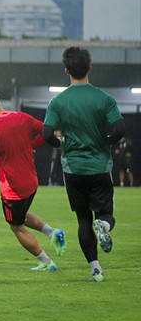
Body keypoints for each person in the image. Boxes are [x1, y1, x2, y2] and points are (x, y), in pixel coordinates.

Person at [43, 46, 126, 282]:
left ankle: (96, 269)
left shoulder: (58, 102)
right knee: (106, 215)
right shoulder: (104, 99)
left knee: (82, 220)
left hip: (73, 169)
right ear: (90, 67)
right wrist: (106, 142)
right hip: (100, 167)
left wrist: (62, 145)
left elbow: (47, 133)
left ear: (66, 70)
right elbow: (120, 129)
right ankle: (104, 227)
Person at [0, 89, 66, 272]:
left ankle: (46, 262)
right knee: (22, 215)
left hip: (13, 187)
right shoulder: (22, 117)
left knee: (16, 226)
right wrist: (32, 146)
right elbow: (46, 132)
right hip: (32, 181)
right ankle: (53, 233)